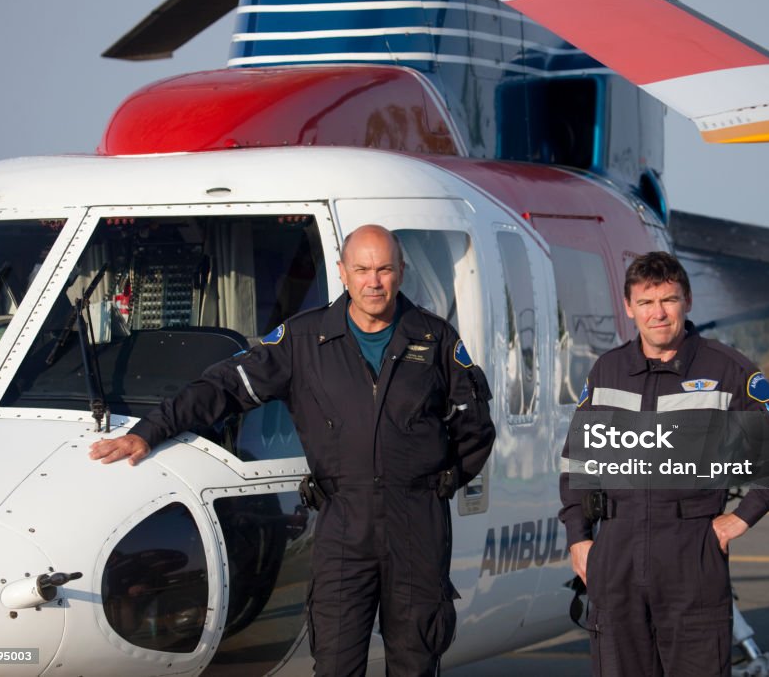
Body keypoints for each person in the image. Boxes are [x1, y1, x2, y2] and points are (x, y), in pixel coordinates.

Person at [90, 224, 496, 677]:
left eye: (384, 269)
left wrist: (438, 482)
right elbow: (226, 387)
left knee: (416, 660)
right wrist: (151, 430)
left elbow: (475, 427)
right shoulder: (304, 341)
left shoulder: (435, 339)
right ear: (342, 272)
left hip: (417, 524)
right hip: (344, 525)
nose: (373, 281)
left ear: (401, 271)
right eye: (362, 269)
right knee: (335, 660)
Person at [559, 252, 769, 677]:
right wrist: (579, 537)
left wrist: (739, 520)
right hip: (617, 553)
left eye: (668, 300)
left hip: (692, 552)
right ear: (629, 307)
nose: (659, 313)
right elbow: (579, 463)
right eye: (647, 303)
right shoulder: (608, 371)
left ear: (687, 301)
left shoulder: (727, 370)